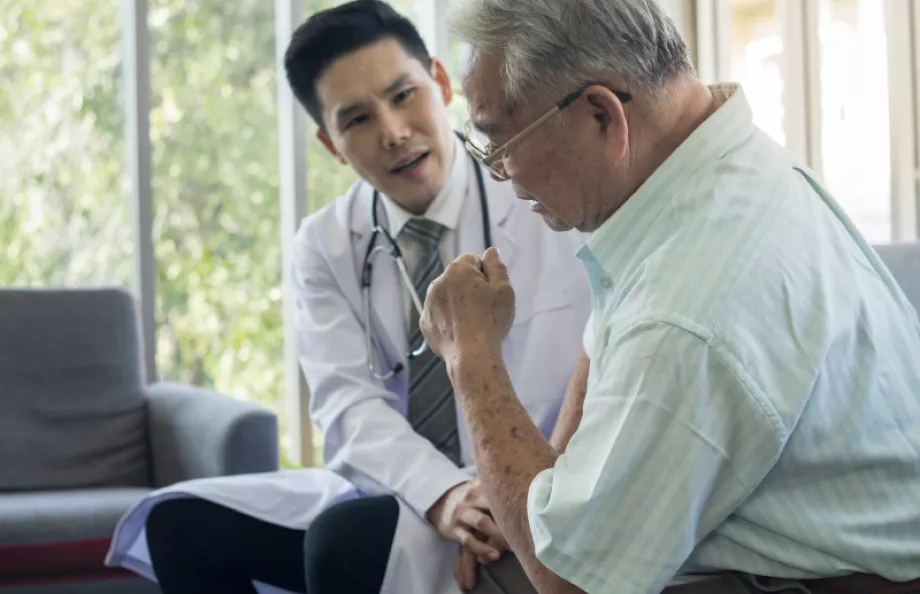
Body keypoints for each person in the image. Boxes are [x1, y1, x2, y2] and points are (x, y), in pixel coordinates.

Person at [416, 0, 920, 593]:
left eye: (500, 143)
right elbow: (612, 318)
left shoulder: (688, 311)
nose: (502, 173)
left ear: (601, 116)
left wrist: (470, 356)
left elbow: (569, 582)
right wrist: (546, 499)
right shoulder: (710, 168)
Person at [104, 2, 591, 594]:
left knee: (344, 539)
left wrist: (506, 494)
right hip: (406, 483)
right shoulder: (325, 244)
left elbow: (593, 369)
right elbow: (347, 405)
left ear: (440, 83)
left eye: (403, 95)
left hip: (529, 473)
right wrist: (444, 494)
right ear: (330, 143)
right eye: (357, 119)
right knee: (179, 524)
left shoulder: (538, 197)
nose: (392, 131)